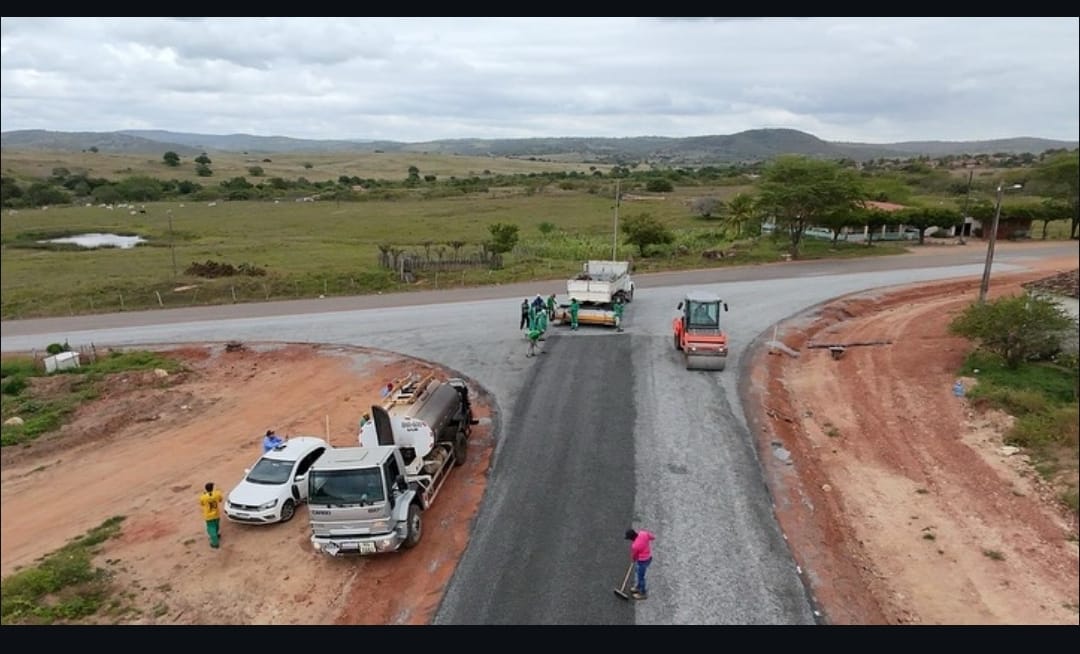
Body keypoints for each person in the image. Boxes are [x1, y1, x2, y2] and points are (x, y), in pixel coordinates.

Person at [626, 528, 655, 599]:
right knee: (639, 573)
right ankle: (638, 587)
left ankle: (642, 593)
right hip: (649, 558)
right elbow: (652, 537)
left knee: (641, 577)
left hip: (642, 561)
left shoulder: (635, 545)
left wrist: (633, 559)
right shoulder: (643, 534)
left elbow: (635, 555)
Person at [199, 482, 225, 549]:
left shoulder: (203, 497)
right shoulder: (217, 494)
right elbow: (220, 499)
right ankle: (216, 535)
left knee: (211, 528)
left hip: (208, 516)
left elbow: (201, 504)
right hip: (216, 514)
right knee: (216, 526)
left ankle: (215, 543)